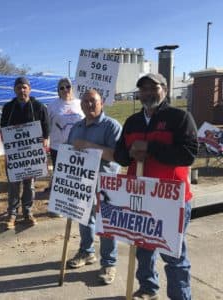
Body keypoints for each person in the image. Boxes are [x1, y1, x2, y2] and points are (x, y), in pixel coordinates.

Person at [113, 73, 198, 300]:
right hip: (140, 196)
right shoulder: (132, 122)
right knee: (143, 247)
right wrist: (130, 153)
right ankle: (148, 288)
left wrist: (150, 148)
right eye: (144, 89)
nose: (148, 92)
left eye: (154, 87)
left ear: (165, 90)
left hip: (171, 199)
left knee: (173, 254)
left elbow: (189, 155)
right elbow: (120, 156)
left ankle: (180, 296)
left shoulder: (179, 117)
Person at [66, 89, 122, 285]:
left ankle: (109, 263)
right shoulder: (76, 127)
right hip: (82, 182)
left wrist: (88, 145)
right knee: (83, 218)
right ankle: (87, 252)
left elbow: (117, 156)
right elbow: (68, 151)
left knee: (106, 224)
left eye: (93, 101)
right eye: (86, 101)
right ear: (81, 105)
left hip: (106, 182)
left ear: (102, 103)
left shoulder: (111, 126)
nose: (89, 104)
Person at [0, 77, 49, 229]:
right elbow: (3, 128)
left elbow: (46, 127)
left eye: (24, 87)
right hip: (15, 154)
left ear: (29, 89)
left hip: (32, 154)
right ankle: (12, 214)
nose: (22, 90)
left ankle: (28, 212)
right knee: (13, 184)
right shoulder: (9, 107)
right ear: (15, 90)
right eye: (19, 87)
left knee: (29, 184)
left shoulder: (39, 106)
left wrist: (45, 139)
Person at [45, 78, 84, 203]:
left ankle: (75, 202)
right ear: (58, 91)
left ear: (72, 88)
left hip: (78, 147)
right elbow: (46, 125)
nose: (65, 90)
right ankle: (60, 203)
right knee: (61, 177)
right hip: (58, 147)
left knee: (77, 175)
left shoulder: (80, 103)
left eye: (67, 87)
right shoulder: (52, 106)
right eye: (62, 88)